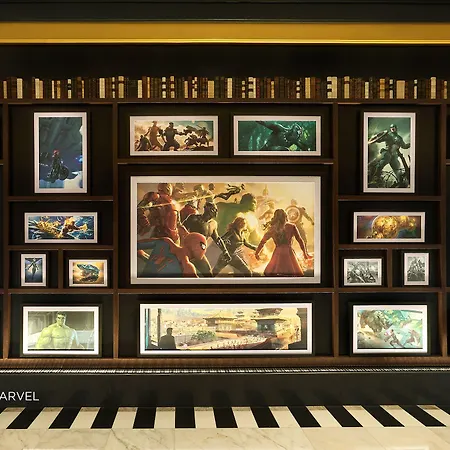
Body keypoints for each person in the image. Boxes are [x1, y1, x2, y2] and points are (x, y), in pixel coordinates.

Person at [254, 209, 311, 277]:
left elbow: (262, 242)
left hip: (278, 253)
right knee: (291, 273)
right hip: (289, 252)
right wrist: (305, 253)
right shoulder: (292, 226)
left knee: (275, 274)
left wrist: (257, 253)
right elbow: (300, 240)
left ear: (275, 217)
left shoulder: (272, 229)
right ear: (285, 216)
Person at [182, 202, 231, 276]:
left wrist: (225, 251)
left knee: (208, 273)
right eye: (213, 209)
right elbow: (181, 229)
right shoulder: (194, 218)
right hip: (188, 250)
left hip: (200, 252)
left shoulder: (213, 224)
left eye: (216, 210)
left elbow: (217, 239)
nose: (216, 212)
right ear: (207, 209)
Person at [137, 232, 207, 277]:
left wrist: (143, 255)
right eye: (203, 246)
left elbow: (136, 245)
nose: (204, 250)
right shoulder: (187, 267)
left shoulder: (166, 242)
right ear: (195, 245)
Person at [368, 123, 411, 188]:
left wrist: (411, 143)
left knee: (397, 169)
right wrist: (374, 139)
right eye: (391, 127)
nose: (393, 128)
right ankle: (376, 178)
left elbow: (404, 146)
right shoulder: (388, 135)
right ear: (390, 129)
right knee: (384, 161)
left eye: (394, 127)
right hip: (387, 152)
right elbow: (379, 139)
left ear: (396, 128)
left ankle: (401, 183)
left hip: (394, 156)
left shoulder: (399, 138)